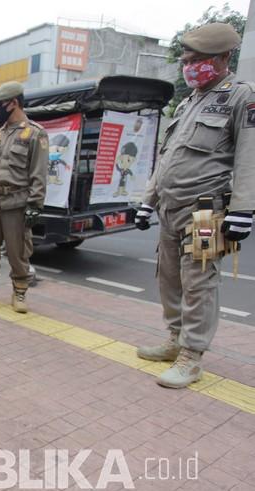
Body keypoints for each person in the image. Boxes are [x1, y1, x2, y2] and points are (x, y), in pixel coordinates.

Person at [134, 22, 254, 389]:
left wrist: (243, 209)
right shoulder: (189, 101)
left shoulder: (240, 97)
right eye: (186, 60)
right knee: (168, 278)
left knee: (198, 282)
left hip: (206, 209)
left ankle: (192, 356)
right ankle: (174, 339)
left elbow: (250, 156)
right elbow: (167, 157)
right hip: (170, 208)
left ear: (222, 58)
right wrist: (146, 201)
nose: (188, 66)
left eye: (195, 60)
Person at [0, 81, 48, 313]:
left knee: (17, 252)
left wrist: (35, 204)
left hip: (16, 204)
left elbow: (39, 172)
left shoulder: (34, 133)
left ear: (13, 103)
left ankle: (19, 293)